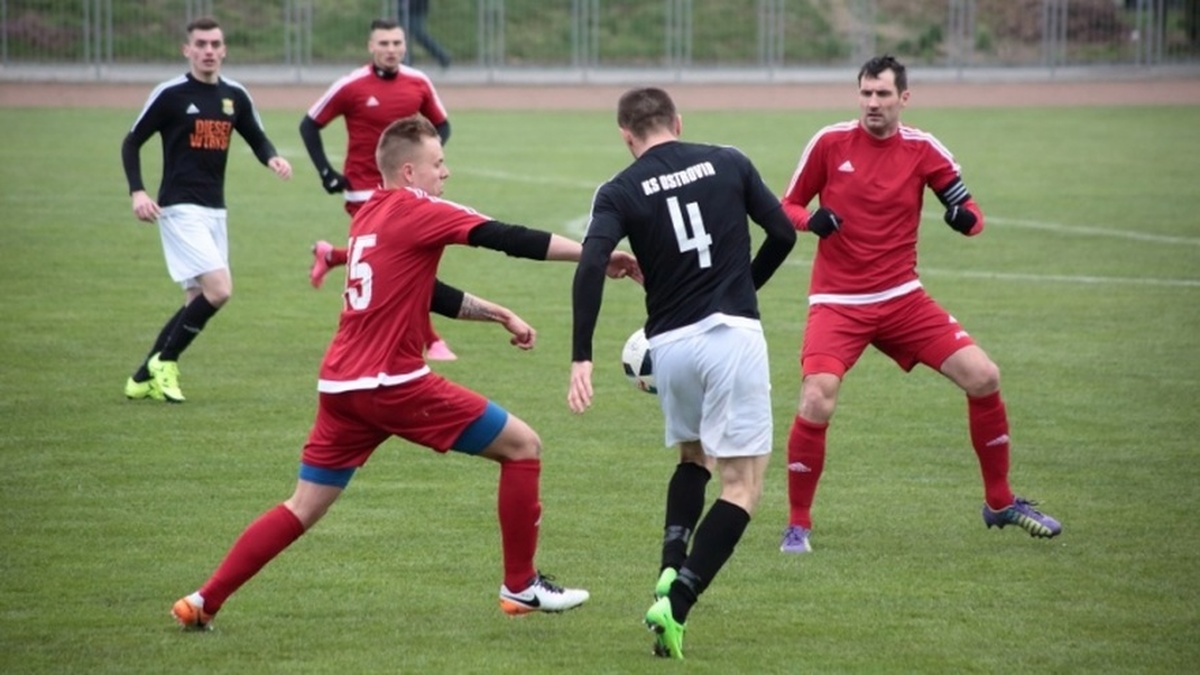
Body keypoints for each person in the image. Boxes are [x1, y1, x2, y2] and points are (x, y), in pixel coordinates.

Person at [171, 114, 641, 630]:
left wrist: (497, 313)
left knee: (302, 506)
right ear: (410, 172)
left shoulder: (369, 213)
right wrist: (595, 255)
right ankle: (520, 586)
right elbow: (507, 237)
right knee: (522, 446)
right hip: (391, 384)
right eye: (439, 163)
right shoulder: (420, 208)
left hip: (340, 387)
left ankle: (203, 600)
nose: (446, 172)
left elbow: (424, 290)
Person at [777, 55, 1062, 555]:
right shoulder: (830, 142)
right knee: (816, 398)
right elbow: (787, 205)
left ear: (903, 98)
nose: (872, 103)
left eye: (882, 94)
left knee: (984, 376)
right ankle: (798, 525)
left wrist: (963, 219)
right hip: (838, 302)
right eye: (866, 93)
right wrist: (811, 221)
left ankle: (999, 501)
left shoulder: (925, 149)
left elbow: (970, 211)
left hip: (902, 299)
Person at [568, 87, 796, 660]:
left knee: (693, 458)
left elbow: (592, 263)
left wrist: (581, 355)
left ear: (626, 136)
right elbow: (785, 234)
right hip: (732, 336)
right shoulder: (729, 160)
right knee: (742, 486)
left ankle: (671, 566)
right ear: (677, 120)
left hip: (668, 346)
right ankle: (680, 601)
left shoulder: (619, 189)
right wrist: (743, 289)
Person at [120, 16, 292, 403]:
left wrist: (273, 159)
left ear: (224, 50)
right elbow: (131, 142)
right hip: (179, 208)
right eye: (201, 44)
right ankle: (166, 362)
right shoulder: (170, 94)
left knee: (196, 299)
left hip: (216, 210)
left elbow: (256, 136)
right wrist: (138, 192)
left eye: (215, 44)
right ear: (187, 50)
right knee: (220, 289)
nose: (208, 51)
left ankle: (142, 377)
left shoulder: (235, 95)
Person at [302, 18, 456, 360]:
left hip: (406, 189)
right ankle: (431, 341)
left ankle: (331, 256)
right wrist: (326, 172)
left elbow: (442, 125)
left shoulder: (418, 82)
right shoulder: (351, 85)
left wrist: (427, 160)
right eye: (384, 43)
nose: (391, 50)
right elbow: (309, 124)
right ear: (371, 47)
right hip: (363, 191)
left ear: (405, 46)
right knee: (398, 262)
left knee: (394, 260)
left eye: (397, 43)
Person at [399, 0, 451, 68]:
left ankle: (442, 56)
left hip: (416, 7)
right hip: (404, 7)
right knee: (403, 34)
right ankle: (405, 60)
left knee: (418, 33)